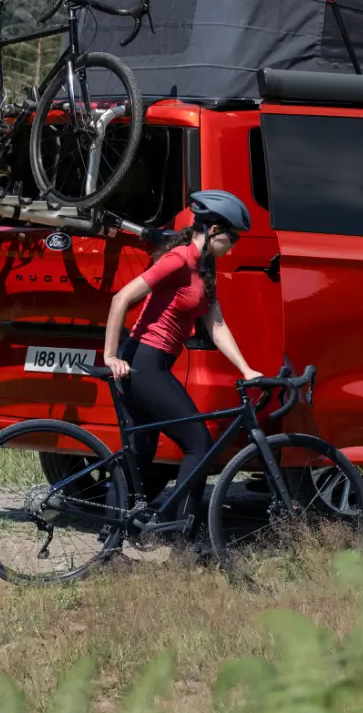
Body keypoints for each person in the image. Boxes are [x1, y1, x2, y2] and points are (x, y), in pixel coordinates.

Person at [101, 189, 261, 508]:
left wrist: (246, 369)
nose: (233, 247)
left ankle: (113, 541)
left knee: (140, 453)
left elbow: (215, 324)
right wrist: (110, 356)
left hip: (153, 364)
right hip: (143, 363)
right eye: (233, 238)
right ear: (214, 230)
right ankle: (181, 531)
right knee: (199, 443)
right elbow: (121, 299)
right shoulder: (178, 259)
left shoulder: (204, 267)